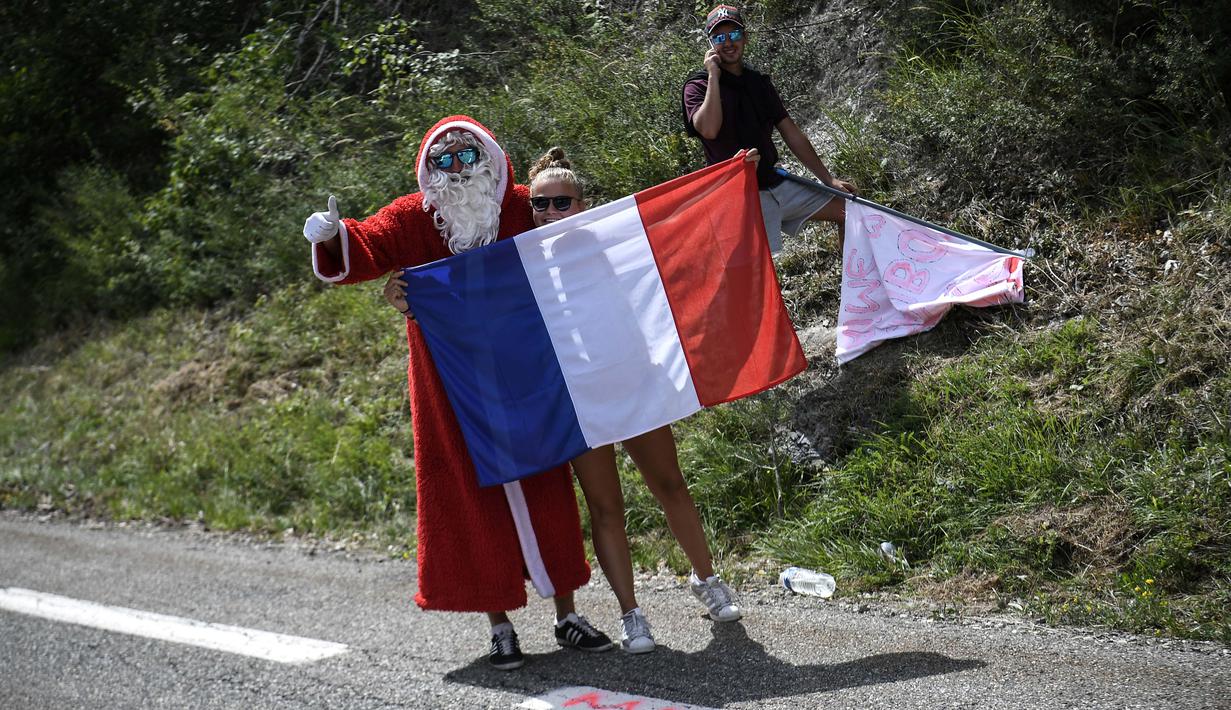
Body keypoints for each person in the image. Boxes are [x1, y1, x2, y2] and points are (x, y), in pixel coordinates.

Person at [383, 146, 759, 655]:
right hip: (575, 397)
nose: (551, 214)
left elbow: (679, 227)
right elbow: (463, 289)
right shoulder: (513, 261)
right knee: (606, 508)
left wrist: (730, 179)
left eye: (563, 203)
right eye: (541, 205)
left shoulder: (611, 237)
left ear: (584, 204)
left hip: (633, 380)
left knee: (670, 484)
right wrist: (407, 290)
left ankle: (707, 580)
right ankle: (632, 615)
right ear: (527, 208)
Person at [301, 116, 612, 672]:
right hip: (449, 382)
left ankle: (567, 614)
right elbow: (366, 247)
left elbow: (571, 226)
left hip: (524, 371)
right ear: (428, 168)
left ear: (490, 156)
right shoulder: (412, 217)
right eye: (443, 161)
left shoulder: (520, 205)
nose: (458, 170)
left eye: (467, 157)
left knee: (547, 480)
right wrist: (332, 236)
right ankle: (500, 627)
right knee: (473, 496)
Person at [682, 4, 858, 254]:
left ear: (745, 38)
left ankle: (857, 289)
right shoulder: (698, 86)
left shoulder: (759, 83)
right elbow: (709, 130)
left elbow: (791, 133)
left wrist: (827, 179)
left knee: (849, 210)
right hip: (737, 197)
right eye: (720, 38)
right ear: (711, 44)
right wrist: (713, 76)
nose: (728, 43)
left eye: (734, 35)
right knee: (758, 270)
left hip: (775, 182)